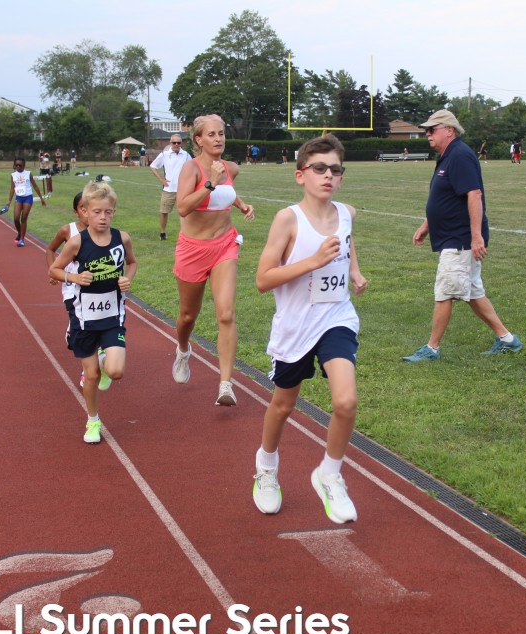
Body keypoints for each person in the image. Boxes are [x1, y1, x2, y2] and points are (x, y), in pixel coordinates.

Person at [252, 134, 367, 524]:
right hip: (296, 326)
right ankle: (266, 467)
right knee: (283, 405)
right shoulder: (288, 219)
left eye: (335, 169)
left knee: (346, 402)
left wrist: (354, 271)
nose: (328, 175)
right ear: (301, 175)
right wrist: (314, 261)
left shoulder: (346, 213)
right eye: (320, 168)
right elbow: (263, 279)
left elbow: (346, 240)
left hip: (336, 317)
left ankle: (329, 474)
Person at [403, 110, 522, 362]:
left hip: (460, 239)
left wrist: (476, 237)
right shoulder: (447, 156)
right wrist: (427, 225)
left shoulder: (459, 155)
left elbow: (474, 194)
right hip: (454, 237)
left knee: (445, 292)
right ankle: (508, 340)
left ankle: (432, 348)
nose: (427, 134)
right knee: (474, 293)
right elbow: (447, 198)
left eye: (432, 129)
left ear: (449, 130)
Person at [172, 114, 255, 406]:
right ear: (198, 140)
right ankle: (183, 349)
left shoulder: (230, 167)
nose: (218, 138)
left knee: (226, 314)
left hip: (224, 245)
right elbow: (182, 207)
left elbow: (228, 191)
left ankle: (225, 385)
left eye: (221, 133)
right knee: (187, 316)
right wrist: (210, 183)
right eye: (211, 134)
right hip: (193, 249)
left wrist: (242, 204)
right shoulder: (190, 168)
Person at [48, 181, 137, 445]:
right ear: (85, 211)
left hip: (113, 314)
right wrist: (74, 277)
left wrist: (127, 278)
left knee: (116, 371)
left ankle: (104, 362)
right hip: (84, 317)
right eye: (97, 212)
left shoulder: (122, 238)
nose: (102, 217)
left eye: (108, 212)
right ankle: (93, 420)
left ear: (114, 212)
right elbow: (54, 270)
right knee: (92, 376)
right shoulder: (77, 242)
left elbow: (132, 262)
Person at [46, 192, 94, 359]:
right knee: (79, 331)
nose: (87, 212)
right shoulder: (67, 230)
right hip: (71, 288)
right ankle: (73, 332)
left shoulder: (102, 232)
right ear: (76, 212)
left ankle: (89, 366)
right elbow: (50, 249)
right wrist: (53, 271)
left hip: (94, 286)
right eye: (82, 208)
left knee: (93, 325)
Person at [149, 134, 191, 240]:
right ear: (170, 143)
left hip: (183, 190)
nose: (176, 144)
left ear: (181, 143)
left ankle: (184, 235)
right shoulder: (165, 154)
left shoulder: (186, 155)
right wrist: (161, 179)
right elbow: (153, 166)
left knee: (183, 213)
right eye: (174, 142)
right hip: (168, 189)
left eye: (178, 142)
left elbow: (192, 168)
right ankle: (162, 233)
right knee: (164, 212)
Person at [4, 157, 47, 247]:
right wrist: (9, 201)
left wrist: (41, 198)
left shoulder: (28, 174)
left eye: (20, 165)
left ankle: (22, 239)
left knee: (23, 218)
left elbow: (35, 186)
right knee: (16, 218)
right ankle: (20, 233)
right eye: (16, 165)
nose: (18, 167)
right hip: (19, 198)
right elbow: (12, 189)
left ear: (23, 165)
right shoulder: (13, 175)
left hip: (28, 197)